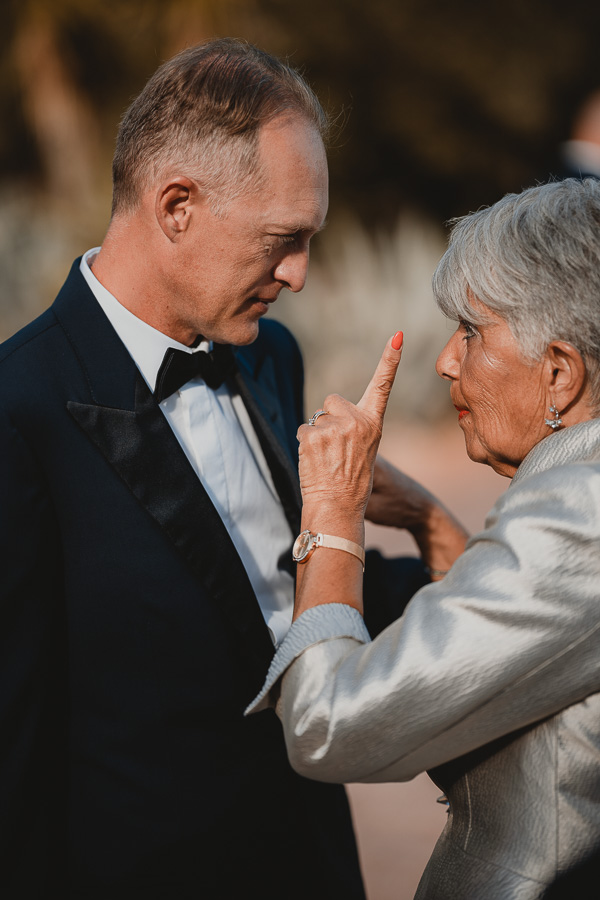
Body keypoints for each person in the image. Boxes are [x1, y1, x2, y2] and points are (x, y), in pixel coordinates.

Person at [0, 38, 466, 899]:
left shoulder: (269, 357)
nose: (298, 274)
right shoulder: (18, 407)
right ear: (176, 204)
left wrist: (459, 556)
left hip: (314, 864)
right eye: (283, 240)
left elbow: (281, 604)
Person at [248, 177, 600, 898]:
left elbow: (328, 725)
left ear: (559, 373)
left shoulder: (578, 510)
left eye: (472, 332)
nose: (445, 361)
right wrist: (431, 522)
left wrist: (333, 518)